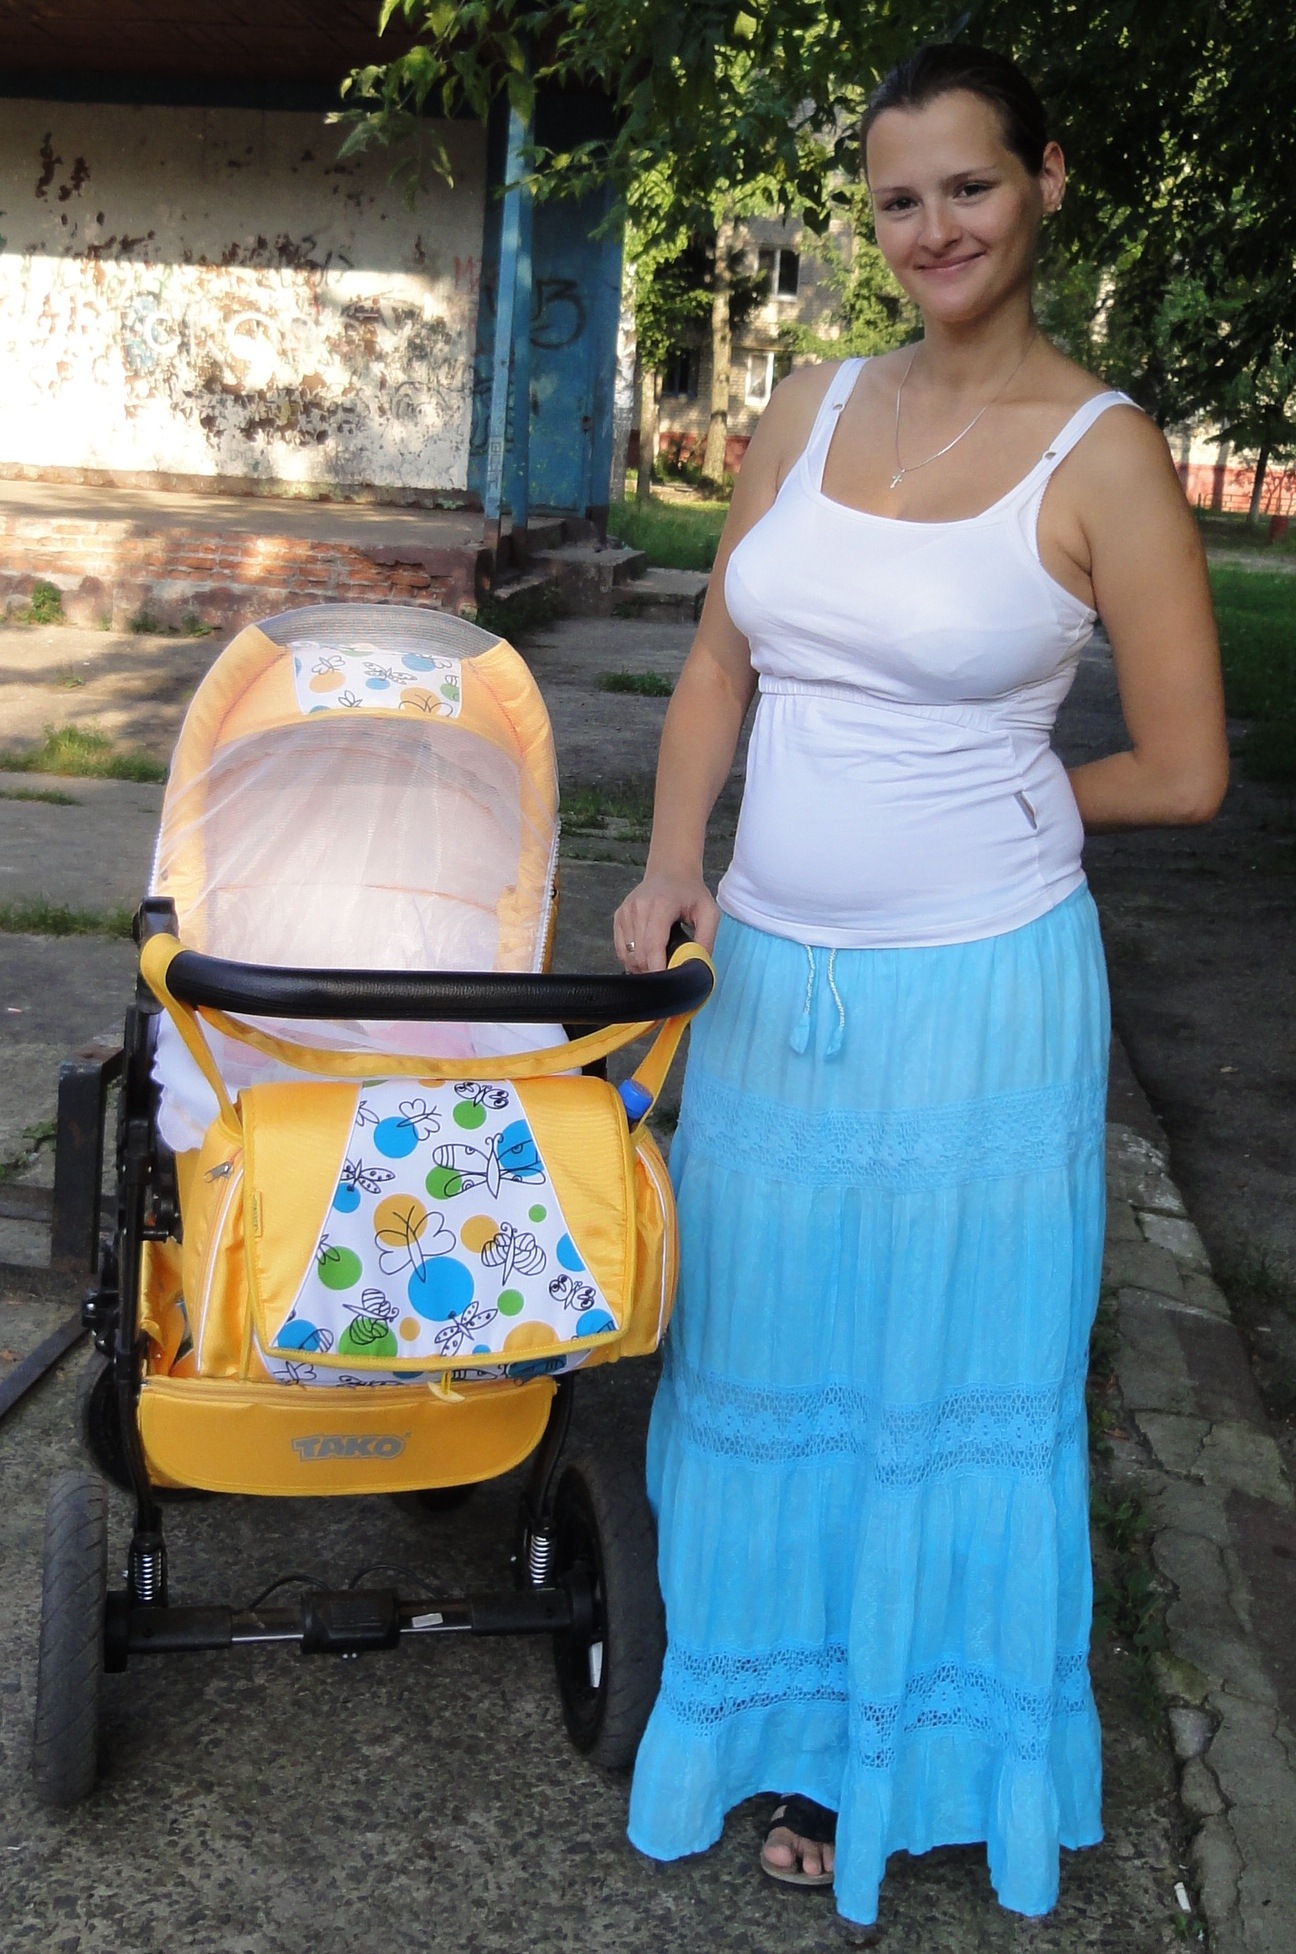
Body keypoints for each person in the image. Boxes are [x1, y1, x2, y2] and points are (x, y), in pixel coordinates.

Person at [614, 42, 1228, 1937]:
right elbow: (721, 661)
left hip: (980, 1002)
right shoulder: (806, 404)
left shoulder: (1103, 451)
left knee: (940, 1384)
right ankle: (785, 1722)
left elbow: (1187, 767)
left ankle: (919, 1758)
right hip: (769, 985)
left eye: (970, 185)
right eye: (898, 198)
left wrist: (1023, 787)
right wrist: (673, 858)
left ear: (1044, 182)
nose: (934, 227)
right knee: (764, 1359)